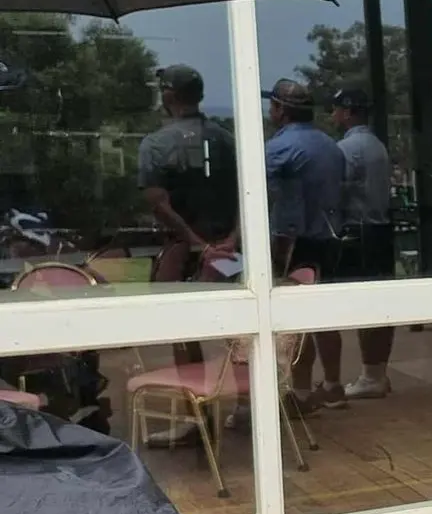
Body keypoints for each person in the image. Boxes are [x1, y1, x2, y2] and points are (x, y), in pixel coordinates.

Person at [263, 77, 347, 409]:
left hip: (293, 242)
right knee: (325, 316)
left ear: (281, 110)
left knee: (294, 320)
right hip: (330, 238)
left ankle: (299, 392)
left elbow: (258, 193)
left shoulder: (279, 147)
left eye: (272, 105)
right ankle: (333, 385)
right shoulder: (331, 145)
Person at [137, 64, 239, 286]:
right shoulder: (228, 140)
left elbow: (157, 204)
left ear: (168, 96)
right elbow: (250, 196)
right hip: (228, 255)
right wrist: (232, 240)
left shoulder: (155, 144)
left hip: (179, 255)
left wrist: (200, 247)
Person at [330, 86, 397, 400]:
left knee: (360, 303)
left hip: (358, 231)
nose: (333, 114)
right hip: (381, 230)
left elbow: (333, 192)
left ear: (348, 112)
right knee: (381, 303)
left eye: (336, 109)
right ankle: (376, 373)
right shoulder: (377, 146)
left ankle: (369, 376)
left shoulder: (347, 148)